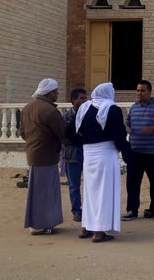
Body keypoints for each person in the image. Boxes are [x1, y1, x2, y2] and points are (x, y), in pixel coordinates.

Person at [70, 83, 129, 243]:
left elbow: (71, 131)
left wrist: (85, 143)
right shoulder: (112, 108)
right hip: (105, 153)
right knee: (104, 192)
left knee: (90, 192)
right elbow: (119, 135)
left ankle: (86, 227)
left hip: (88, 154)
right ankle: (98, 232)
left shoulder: (84, 108)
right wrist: (126, 151)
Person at [20, 78, 66, 235]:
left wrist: (33, 143)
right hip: (46, 156)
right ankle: (43, 224)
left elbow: (22, 133)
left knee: (37, 191)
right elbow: (62, 133)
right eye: (56, 91)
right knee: (45, 193)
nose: (57, 94)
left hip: (33, 154)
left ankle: (38, 223)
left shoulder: (28, 107)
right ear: (50, 92)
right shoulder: (50, 110)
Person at [122, 80, 154, 221]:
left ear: (150, 92)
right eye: (138, 90)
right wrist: (126, 129)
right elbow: (128, 124)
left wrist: (152, 129)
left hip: (153, 153)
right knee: (132, 183)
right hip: (135, 153)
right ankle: (132, 210)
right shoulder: (133, 108)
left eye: (142, 91)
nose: (139, 93)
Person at [62, 88, 88, 222]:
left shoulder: (90, 115)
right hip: (72, 153)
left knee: (91, 183)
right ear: (73, 100)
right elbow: (63, 136)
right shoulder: (66, 117)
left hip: (89, 153)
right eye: (81, 98)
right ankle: (77, 211)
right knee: (74, 184)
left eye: (85, 98)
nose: (84, 101)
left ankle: (90, 210)